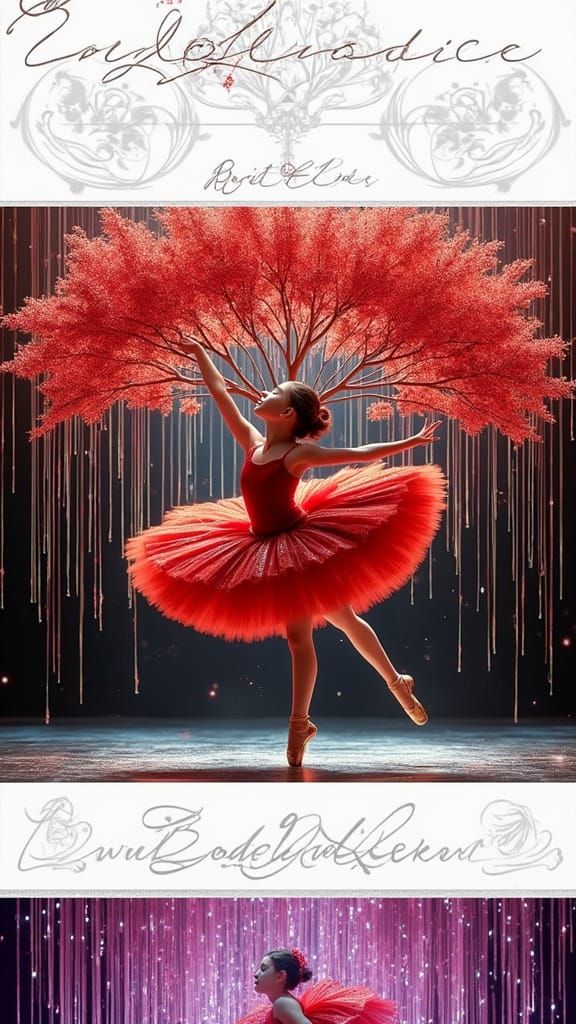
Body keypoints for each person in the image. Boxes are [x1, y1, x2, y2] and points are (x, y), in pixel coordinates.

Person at [126, 341, 446, 766]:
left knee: (303, 637)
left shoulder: (298, 455)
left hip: (299, 547)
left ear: (287, 413)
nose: (262, 393)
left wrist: (410, 440)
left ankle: (301, 723)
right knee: (344, 619)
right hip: (260, 541)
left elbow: (357, 454)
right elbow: (220, 391)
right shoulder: (253, 443)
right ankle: (396, 683)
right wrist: (199, 351)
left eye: (274, 393)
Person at [235, 948, 396, 1024]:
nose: (256, 974)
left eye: (263, 969)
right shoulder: (283, 1003)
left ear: (280, 976)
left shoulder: (282, 1004)